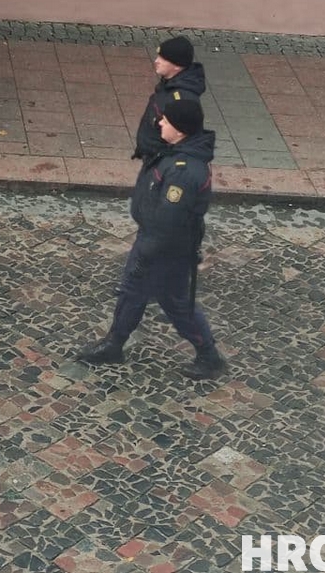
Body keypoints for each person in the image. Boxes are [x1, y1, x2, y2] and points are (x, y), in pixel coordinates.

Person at [77, 98, 228, 380]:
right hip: (154, 242)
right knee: (132, 292)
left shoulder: (183, 171)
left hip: (166, 251)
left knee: (175, 302)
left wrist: (146, 253)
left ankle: (209, 356)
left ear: (180, 129)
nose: (160, 123)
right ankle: (114, 344)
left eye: (166, 121)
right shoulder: (175, 151)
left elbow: (168, 222)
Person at [133, 35, 206, 164]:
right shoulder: (169, 84)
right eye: (158, 56)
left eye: (163, 59)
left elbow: (184, 141)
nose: (156, 61)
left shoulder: (182, 99)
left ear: (177, 66)